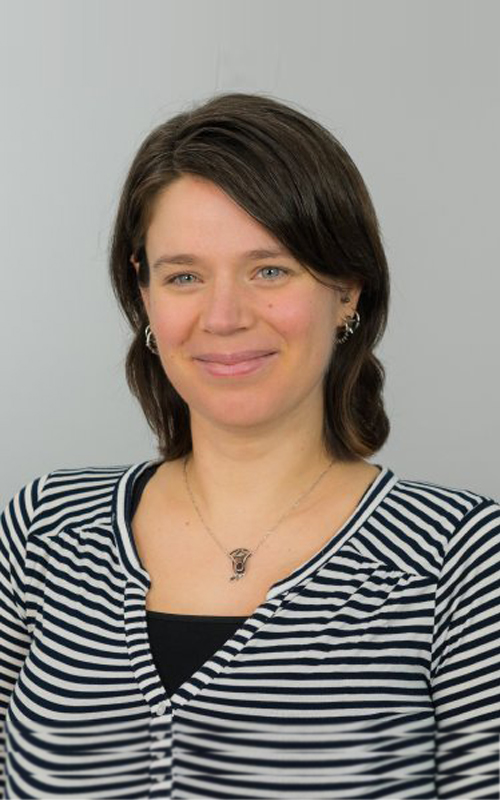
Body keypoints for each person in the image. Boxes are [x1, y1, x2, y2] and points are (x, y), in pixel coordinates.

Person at [1, 92, 499, 800]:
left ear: (347, 290)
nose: (225, 317)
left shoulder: (461, 560)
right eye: (183, 276)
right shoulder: (45, 528)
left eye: (270, 269)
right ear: (144, 296)